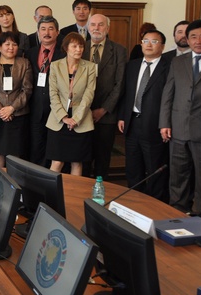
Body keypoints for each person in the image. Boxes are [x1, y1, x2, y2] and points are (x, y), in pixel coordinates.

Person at [160, 19, 201, 214]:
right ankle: (177, 215)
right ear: (187, 40)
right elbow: (168, 94)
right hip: (178, 129)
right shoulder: (177, 62)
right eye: (193, 37)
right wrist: (164, 123)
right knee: (177, 179)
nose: (198, 41)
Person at [118, 30, 170, 202]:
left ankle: (155, 205)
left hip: (155, 126)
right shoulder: (132, 66)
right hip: (132, 123)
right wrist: (122, 116)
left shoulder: (168, 67)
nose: (148, 44)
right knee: (133, 168)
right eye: (145, 40)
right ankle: (134, 203)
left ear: (162, 46)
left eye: (154, 41)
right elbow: (126, 93)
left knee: (155, 169)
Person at [82, 14, 127, 179]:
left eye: (100, 25)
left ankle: (99, 191)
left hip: (107, 115)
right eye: (93, 24)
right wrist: (84, 110)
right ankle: (82, 190)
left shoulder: (119, 50)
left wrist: (103, 109)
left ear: (107, 28)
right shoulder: (80, 48)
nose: (96, 28)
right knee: (83, 158)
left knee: (103, 159)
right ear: (88, 28)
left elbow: (120, 84)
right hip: (82, 114)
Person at [46, 33, 96, 175]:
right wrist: (63, 117)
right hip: (58, 120)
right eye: (74, 46)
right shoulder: (55, 65)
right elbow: (53, 94)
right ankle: (50, 190)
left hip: (81, 120)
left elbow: (89, 95)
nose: (78, 49)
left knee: (77, 162)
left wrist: (76, 119)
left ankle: (74, 190)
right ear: (66, 48)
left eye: (81, 46)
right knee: (57, 162)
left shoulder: (90, 67)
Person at [27, 16, 66, 166]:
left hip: (56, 110)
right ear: (38, 32)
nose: (47, 33)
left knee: (55, 150)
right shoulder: (30, 53)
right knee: (36, 149)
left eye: (51, 29)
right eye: (43, 29)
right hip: (35, 109)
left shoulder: (64, 54)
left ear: (57, 32)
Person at [0, 32, 33, 167]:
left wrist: (12, 108)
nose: (11, 47)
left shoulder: (24, 63)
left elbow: (27, 89)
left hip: (18, 115)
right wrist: (0, 110)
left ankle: (14, 180)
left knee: (15, 152)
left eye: (14, 44)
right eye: (7, 44)